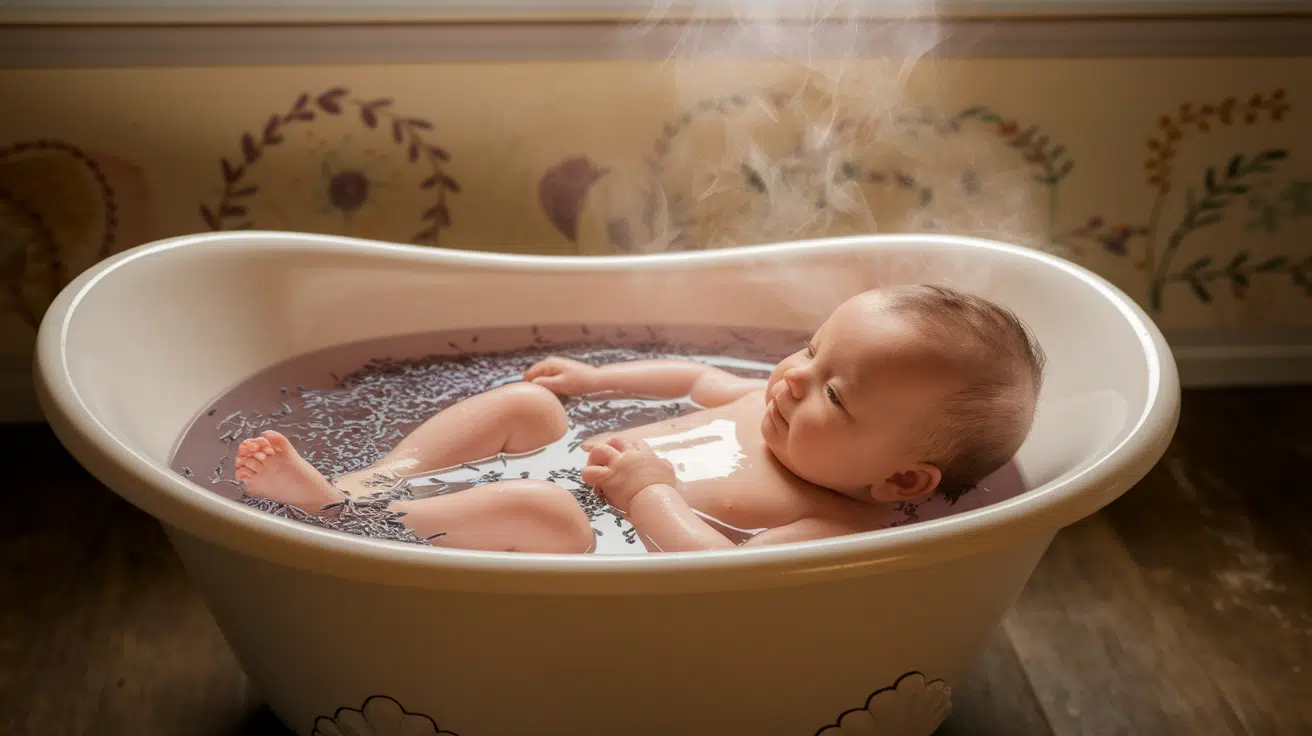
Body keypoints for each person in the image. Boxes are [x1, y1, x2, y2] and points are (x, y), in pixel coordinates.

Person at [234, 284, 1044, 554]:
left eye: (834, 393)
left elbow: (718, 573)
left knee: (535, 507)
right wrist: (594, 378)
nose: (793, 379)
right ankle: (371, 480)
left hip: (595, 534)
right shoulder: (758, 400)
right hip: (574, 468)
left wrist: (648, 495)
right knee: (526, 404)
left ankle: (338, 515)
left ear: (902, 478)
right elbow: (693, 375)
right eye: (809, 349)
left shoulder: (829, 521)